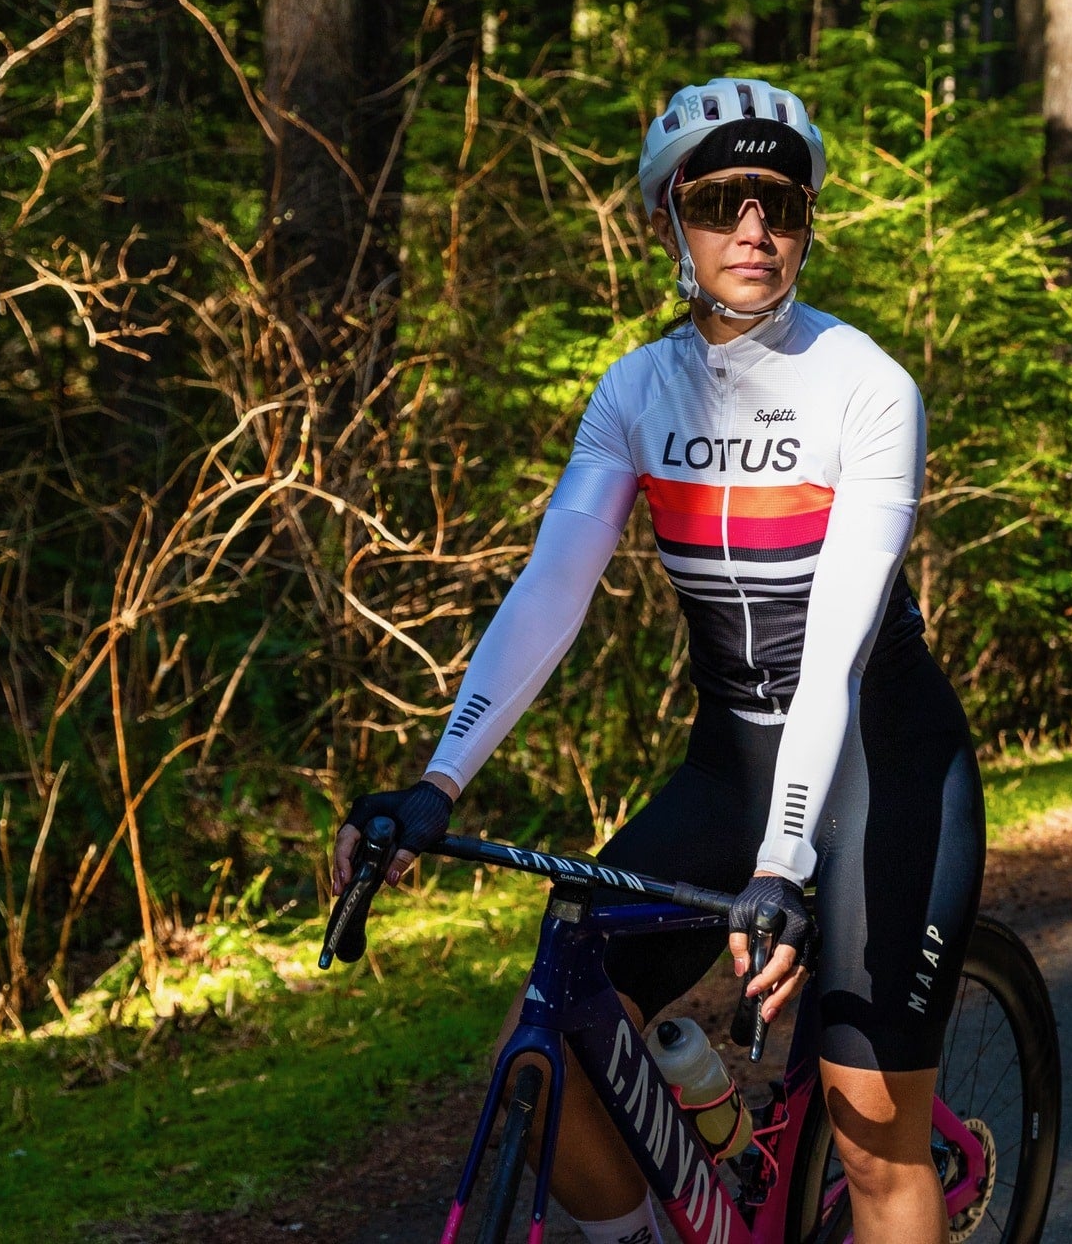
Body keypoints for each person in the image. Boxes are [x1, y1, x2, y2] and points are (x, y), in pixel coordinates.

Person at [333, 77, 985, 1243]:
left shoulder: (867, 387)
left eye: (779, 203)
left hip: (884, 768)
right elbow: (550, 592)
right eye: (722, 198)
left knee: (870, 1125)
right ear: (666, 217)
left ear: (806, 223)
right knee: (551, 1044)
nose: (753, 228)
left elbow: (835, 643)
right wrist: (439, 779)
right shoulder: (636, 391)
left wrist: (785, 861)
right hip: (730, 766)